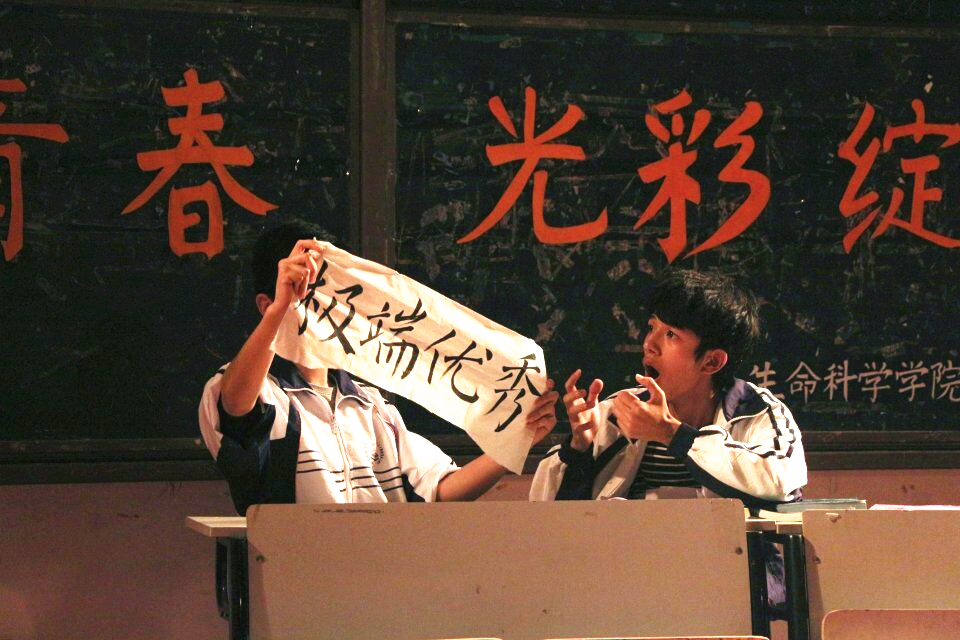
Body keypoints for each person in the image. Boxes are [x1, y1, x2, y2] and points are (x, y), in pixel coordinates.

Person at [199, 221, 559, 515]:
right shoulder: (261, 391)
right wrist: (281, 310)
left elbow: (438, 490)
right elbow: (236, 406)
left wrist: (515, 439)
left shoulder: (372, 404)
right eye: (305, 293)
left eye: (332, 294)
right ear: (267, 304)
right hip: (292, 572)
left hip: (381, 571)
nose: (324, 309)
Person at [530, 268, 806, 508]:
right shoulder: (617, 411)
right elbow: (546, 511)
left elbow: (782, 481)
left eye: (671, 334)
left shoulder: (758, 411)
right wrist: (579, 447)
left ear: (712, 362)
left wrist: (672, 435)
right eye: (652, 327)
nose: (649, 344)